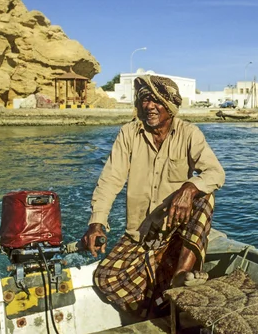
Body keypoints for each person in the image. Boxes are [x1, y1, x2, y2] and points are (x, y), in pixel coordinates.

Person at [80, 74, 225, 318]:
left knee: (204, 196)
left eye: (155, 100)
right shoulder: (128, 134)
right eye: (144, 100)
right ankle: (159, 297)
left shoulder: (189, 134)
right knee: (105, 278)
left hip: (176, 229)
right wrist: (96, 223)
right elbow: (110, 180)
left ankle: (179, 274)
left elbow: (215, 173)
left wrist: (188, 188)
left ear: (169, 105)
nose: (148, 106)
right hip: (142, 233)